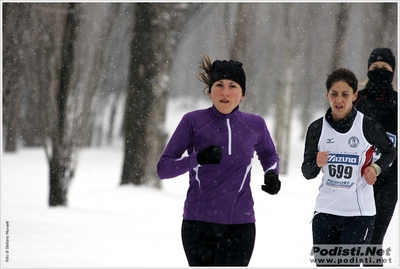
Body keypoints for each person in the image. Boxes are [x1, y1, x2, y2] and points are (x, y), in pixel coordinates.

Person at [157, 55, 280, 266]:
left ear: (242, 94)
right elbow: (164, 168)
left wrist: (271, 174)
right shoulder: (193, 122)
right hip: (198, 223)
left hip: (240, 224)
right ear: (210, 91)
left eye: (232, 86)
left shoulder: (255, 124)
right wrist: (197, 158)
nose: (225, 92)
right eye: (219, 85)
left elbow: (269, 155)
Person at [301, 68, 396, 267]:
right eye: (334, 94)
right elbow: (307, 172)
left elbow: (390, 152)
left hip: (358, 215)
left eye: (345, 94)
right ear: (327, 95)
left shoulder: (367, 126)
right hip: (325, 213)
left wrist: (375, 169)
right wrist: (316, 163)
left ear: (354, 95)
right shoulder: (317, 128)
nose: (339, 100)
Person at [353, 48, 398, 266]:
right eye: (374, 68)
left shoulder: (398, 103)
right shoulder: (357, 100)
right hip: (357, 181)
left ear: (393, 73)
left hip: (389, 182)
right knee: (352, 242)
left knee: (373, 243)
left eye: (385, 68)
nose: (379, 72)